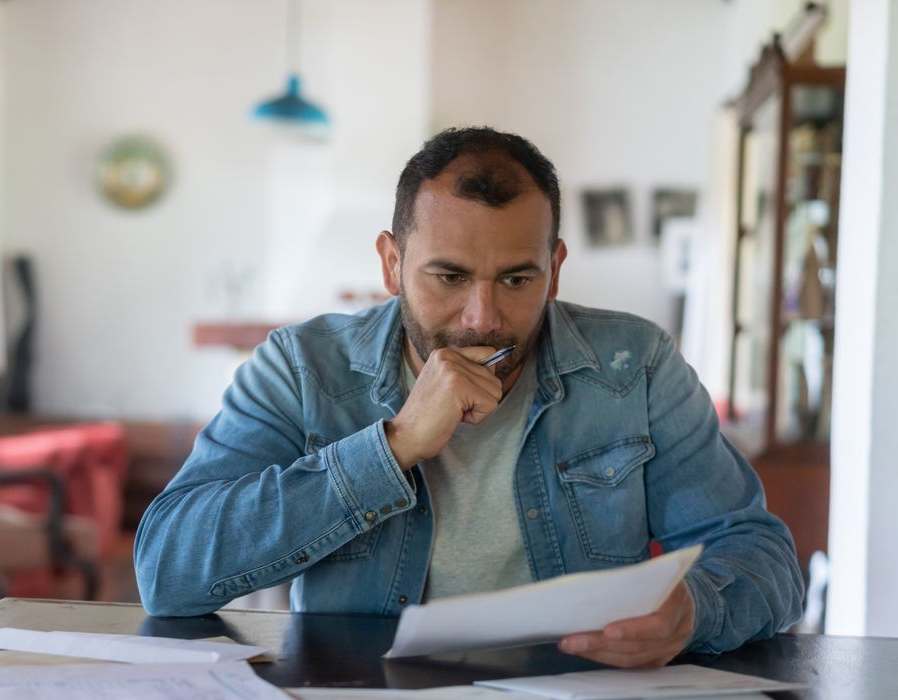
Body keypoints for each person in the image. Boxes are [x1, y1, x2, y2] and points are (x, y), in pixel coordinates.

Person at [135, 127, 803, 668]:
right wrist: (392, 449)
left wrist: (694, 611)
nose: (482, 317)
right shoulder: (301, 367)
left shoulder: (634, 364)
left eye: (517, 279)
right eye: (447, 276)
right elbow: (167, 572)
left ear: (556, 266)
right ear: (391, 264)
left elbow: (759, 552)